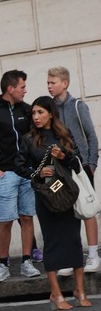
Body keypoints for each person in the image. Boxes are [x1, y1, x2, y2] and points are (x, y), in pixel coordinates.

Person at [15, 96, 90, 310]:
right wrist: (37, 172)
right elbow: (19, 166)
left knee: (74, 240)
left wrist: (64, 155)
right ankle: (56, 294)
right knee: (52, 242)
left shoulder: (63, 133)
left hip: (67, 194)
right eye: (34, 113)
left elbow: (77, 161)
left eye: (40, 112)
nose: (36, 117)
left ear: (50, 113)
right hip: (46, 196)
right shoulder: (29, 139)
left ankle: (80, 290)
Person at [0, 70, 41, 282]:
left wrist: (34, 167)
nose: (25, 90)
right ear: (10, 88)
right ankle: (3, 264)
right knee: (6, 220)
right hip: (4, 174)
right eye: (22, 86)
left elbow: (37, 138)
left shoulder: (27, 109)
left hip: (26, 174)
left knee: (27, 217)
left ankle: (26, 261)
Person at [47, 66, 100, 274]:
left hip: (81, 166)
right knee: (66, 210)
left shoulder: (77, 106)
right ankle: (72, 257)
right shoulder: (50, 109)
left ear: (65, 83)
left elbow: (92, 137)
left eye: (53, 82)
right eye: (48, 82)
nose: (49, 86)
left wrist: (91, 165)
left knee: (87, 209)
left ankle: (94, 255)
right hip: (62, 169)